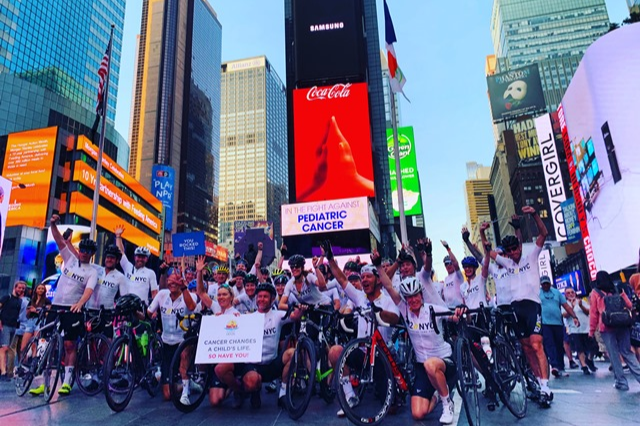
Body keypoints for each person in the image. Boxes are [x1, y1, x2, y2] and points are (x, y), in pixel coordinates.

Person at [323, 242, 400, 417]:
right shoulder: (359, 297)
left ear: (378, 280)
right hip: (362, 351)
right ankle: (351, 396)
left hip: (382, 356)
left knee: (393, 409)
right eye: (362, 277)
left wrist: (379, 313)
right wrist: (330, 258)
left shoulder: (387, 300)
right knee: (335, 352)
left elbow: (395, 318)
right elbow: (342, 279)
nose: (363, 280)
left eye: (368, 277)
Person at [379, 272, 462, 424]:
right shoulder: (405, 311)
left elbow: (453, 317)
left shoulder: (433, 309)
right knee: (418, 413)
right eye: (409, 297)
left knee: (430, 364)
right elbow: (389, 287)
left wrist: (458, 313)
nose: (413, 300)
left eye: (415, 295)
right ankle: (438, 395)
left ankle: (447, 404)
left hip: (443, 362)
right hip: (422, 368)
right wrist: (378, 265)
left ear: (421, 295)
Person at [490, 205, 553, 406]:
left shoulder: (531, 256)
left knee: (536, 345)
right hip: (516, 310)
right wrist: (481, 232)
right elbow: (487, 252)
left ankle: (546, 387)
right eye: (509, 251)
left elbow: (544, 233)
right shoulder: (507, 264)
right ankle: (537, 383)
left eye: (515, 248)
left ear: (519, 247)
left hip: (532, 307)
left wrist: (534, 214)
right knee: (526, 348)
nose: (513, 253)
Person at [43, 214, 98, 396]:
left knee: (69, 345)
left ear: (91, 255)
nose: (84, 253)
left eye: (87, 252)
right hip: (56, 305)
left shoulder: (92, 271)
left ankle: (67, 381)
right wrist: (52, 224)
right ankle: (45, 382)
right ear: (79, 250)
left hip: (73, 309)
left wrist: (80, 303)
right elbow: (59, 240)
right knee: (47, 344)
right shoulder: (70, 259)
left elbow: (89, 290)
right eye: (82, 250)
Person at [147, 270, 197, 401]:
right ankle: (186, 384)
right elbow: (148, 311)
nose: (172, 283)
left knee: (184, 358)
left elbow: (191, 306)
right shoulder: (162, 294)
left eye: (176, 280)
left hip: (183, 341)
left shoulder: (189, 295)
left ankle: (185, 394)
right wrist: (145, 313)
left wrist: (184, 287)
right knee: (168, 394)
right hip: (167, 342)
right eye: (170, 280)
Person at [589, 270, 640, 390]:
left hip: (606, 327)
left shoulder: (595, 293)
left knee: (614, 355)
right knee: (627, 352)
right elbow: (629, 305)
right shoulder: (618, 289)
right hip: (622, 325)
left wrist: (591, 331)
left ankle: (621, 382)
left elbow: (593, 314)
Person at [539, 275, 580, 377]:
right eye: (543, 284)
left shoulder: (556, 293)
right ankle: (555, 366)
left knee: (558, 345)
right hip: (545, 323)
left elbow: (566, 306)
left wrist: (574, 317)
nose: (545, 285)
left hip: (557, 323)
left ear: (550, 283)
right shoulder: (538, 293)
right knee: (550, 344)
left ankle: (561, 367)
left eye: (547, 283)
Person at [86, 244, 128, 339]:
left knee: (106, 345)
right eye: (108, 257)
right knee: (89, 342)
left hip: (106, 314)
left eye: (112, 258)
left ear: (117, 261)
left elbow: (124, 297)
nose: (109, 260)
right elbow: (79, 258)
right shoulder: (95, 269)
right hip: (90, 311)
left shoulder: (120, 277)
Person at [114, 225, 158, 305]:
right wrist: (118, 236)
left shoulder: (150, 273)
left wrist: (153, 309)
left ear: (147, 259)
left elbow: (154, 292)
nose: (140, 259)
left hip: (140, 306)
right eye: (138, 256)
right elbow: (120, 252)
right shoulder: (128, 267)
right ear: (135, 257)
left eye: (143, 257)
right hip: (125, 305)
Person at [563, 287, 596, 374]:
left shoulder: (581, 301)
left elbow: (589, 312)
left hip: (586, 328)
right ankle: (584, 366)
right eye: (568, 293)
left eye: (572, 292)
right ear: (565, 295)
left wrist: (581, 305)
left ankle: (589, 359)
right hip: (575, 330)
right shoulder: (565, 304)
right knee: (580, 349)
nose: (571, 294)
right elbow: (565, 315)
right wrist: (572, 307)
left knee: (594, 347)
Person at [0, 280, 26, 380]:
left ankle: (4, 370)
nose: (21, 290)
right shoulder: (7, 297)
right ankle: (3, 372)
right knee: (4, 348)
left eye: (23, 288)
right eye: (19, 287)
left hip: (14, 327)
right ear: (15, 287)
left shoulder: (20, 301)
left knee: (7, 349)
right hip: (5, 325)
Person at [441, 240, 464, 309]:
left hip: (459, 308)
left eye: (450, 263)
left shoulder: (457, 275)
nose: (449, 266)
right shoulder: (445, 279)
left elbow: (455, 263)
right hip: (449, 310)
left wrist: (448, 248)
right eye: (446, 264)